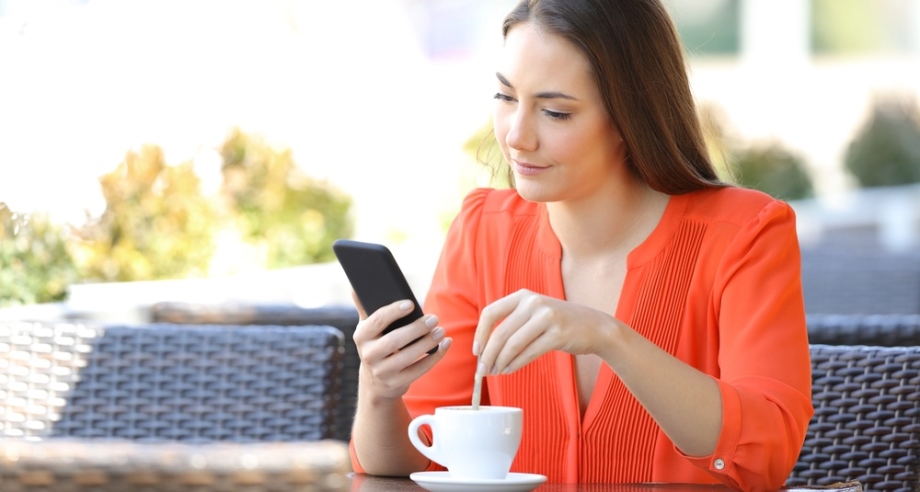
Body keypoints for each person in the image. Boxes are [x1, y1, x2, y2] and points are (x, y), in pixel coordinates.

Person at [348, 0, 813, 490]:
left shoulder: (746, 234)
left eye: (555, 112)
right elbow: (416, 462)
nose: (517, 136)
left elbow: (766, 455)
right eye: (505, 97)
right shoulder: (483, 230)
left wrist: (610, 337)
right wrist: (380, 391)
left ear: (631, 115)